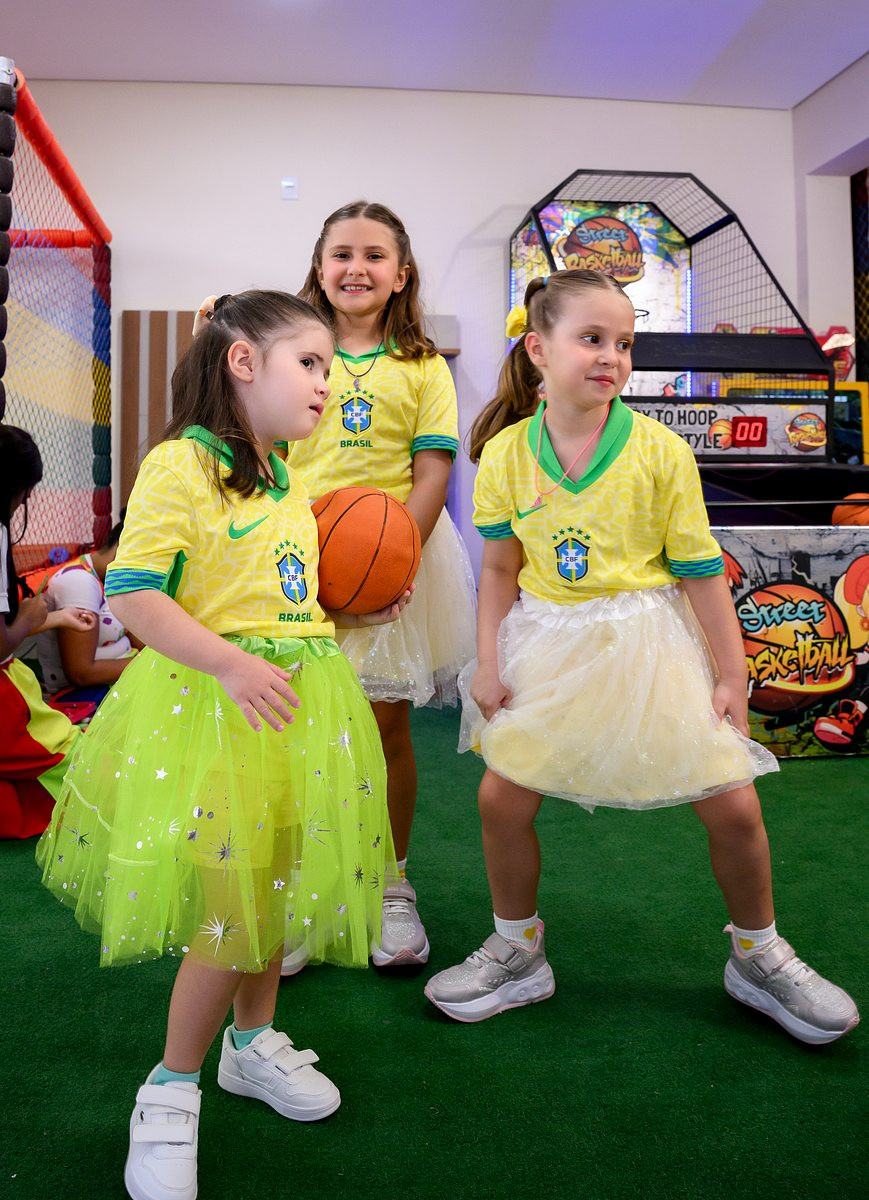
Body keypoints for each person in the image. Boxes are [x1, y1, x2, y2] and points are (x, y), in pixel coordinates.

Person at [424, 269, 860, 1045]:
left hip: (649, 646)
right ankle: (517, 951)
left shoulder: (659, 451)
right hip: (547, 646)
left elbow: (700, 573)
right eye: (591, 338)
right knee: (500, 801)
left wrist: (730, 675)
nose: (611, 357)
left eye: (623, 343)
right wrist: (486, 663)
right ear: (537, 349)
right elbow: (497, 570)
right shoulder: (503, 455)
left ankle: (757, 955)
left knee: (732, 803)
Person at [36, 291, 407, 1200]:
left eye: (329, 367)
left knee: (272, 888)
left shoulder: (288, 478)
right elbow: (135, 593)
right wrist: (232, 664)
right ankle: (169, 1089)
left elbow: (284, 607)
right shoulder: (182, 463)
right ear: (243, 362)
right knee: (231, 914)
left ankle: (250, 1042)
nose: (325, 382)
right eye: (309, 363)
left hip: (292, 713)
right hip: (211, 718)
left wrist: (351, 613)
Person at [285, 200, 477, 969]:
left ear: (401, 274)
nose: (356, 268)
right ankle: (302, 889)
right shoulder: (290, 350)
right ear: (319, 266)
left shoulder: (422, 366)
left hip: (395, 563)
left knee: (382, 729)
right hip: (294, 565)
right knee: (294, 732)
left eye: (373, 256)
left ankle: (391, 884)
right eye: (341, 254)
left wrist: (391, 557)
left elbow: (432, 471)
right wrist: (296, 557)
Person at [0, 425, 96, 838]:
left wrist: (52, 618)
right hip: (11, 696)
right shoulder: (79, 581)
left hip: (19, 683)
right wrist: (32, 615)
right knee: (84, 766)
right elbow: (82, 670)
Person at [36, 512, 137, 699]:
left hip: (116, 681)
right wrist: (148, 664)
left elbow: (136, 634)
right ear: (122, 550)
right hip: (84, 696)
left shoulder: (107, 578)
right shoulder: (79, 581)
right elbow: (81, 673)